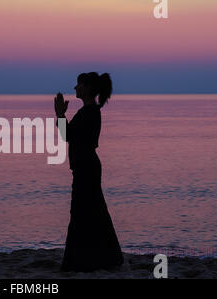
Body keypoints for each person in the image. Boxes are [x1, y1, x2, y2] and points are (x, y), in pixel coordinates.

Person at [54, 72, 124, 272]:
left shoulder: (90, 112)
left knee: (83, 213)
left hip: (87, 168)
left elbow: (69, 136)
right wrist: (60, 115)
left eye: (79, 84)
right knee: (92, 212)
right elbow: (69, 136)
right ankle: (103, 258)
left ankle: (79, 261)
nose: (75, 88)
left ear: (88, 88)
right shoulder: (88, 111)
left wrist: (60, 114)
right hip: (85, 168)